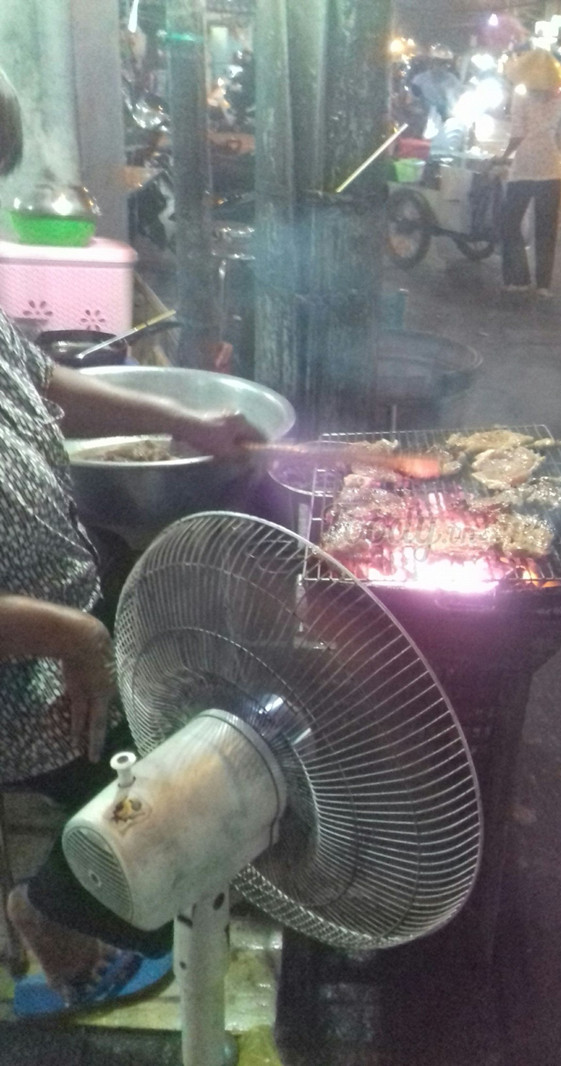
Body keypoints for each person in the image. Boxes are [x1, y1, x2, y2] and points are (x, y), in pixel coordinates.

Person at [0, 67, 266, 1016]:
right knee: (153, 815)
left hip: (59, 621)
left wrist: (187, 424)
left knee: (184, 702)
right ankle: (57, 923)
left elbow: (46, 385)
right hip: (21, 666)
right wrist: (77, 639)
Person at [497, 49, 561, 298]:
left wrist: (504, 156)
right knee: (547, 229)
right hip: (551, 170)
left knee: (509, 223)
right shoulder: (559, 99)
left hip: (525, 167)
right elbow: (560, 135)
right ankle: (543, 285)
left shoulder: (520, 96)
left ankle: (518, 279)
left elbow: (517, 134)